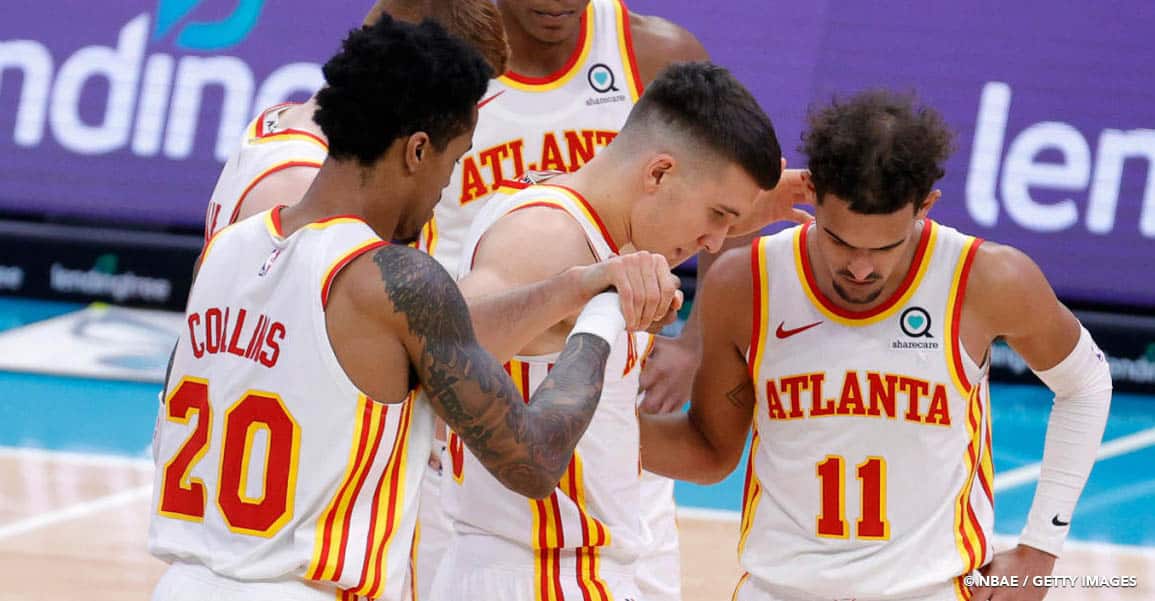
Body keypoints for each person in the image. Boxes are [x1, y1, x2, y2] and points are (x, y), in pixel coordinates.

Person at [149, 17, 678, 601]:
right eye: (453, 163)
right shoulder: (395, 280)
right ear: (418, 150)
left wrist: (571, 286)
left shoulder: (225, 252)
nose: (444, 189)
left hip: (183, 582)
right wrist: (604, 317)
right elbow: (534, 460)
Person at [640, 90, 1112, 601]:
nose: (861, 268)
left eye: (885, 247)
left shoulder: (987, 279)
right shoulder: (746, 283)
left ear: (925, 206)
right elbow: (708, 452)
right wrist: (595, 424)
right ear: (811, 193)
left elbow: (1086, 384)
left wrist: (1041, 548)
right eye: (840, 241)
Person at [421, 2, 809, 598]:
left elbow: (695, 457)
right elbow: (441, 351)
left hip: (583, 565)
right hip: (536, 572)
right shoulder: (549, 238)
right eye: (716, 215)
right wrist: (572, 289)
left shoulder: (601, 232)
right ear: (658, 174)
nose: (713, 242)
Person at [201, 0, 510, 241]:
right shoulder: (307, 188)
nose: (466, 113)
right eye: (464, 92)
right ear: (411, 68)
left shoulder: (284, 121)